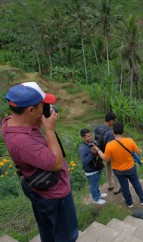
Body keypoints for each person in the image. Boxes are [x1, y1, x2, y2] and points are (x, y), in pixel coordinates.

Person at [1, 82, 78, 242]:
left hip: (35, 187)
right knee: (67, 235)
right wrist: (50, 129)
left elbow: (32, 132)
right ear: (30, 110)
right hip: (54, 194)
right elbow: (56, 163)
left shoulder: (9, 122)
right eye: (42, 105)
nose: (46, 107)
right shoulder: (22, 142)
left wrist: (38, 119)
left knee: (47, 231)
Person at [95, 122, 143, 208]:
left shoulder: (109, 145)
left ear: (113, 132)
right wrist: (138, 149)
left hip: (118, 170)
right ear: (123, 132)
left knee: (124, 186)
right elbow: (138, 152)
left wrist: (98, 150)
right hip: (131, 168)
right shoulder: (130, 141)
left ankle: (129, 203)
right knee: (136, 183)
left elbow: (106, 159)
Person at [94, 112, 120, 195]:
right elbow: (111, 145)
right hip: (110, 153)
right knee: (115, 169)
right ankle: (116, 188)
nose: (114, 123)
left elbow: (96, 139)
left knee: (108, 168)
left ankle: (110, 185)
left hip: (102, 152)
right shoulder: (110, 132)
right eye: (114, 121)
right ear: (111, 121)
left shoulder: (98, 128)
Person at [79, 128, 107, 205]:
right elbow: (85, 162)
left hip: (96, 168)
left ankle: (99, 195)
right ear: (83, 137)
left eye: (91, 136)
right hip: (91, 170)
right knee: (93, 185)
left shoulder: (91, 143)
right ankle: (96, 199)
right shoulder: (82, 148)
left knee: (96, 183)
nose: (90, 138)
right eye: (88, 137)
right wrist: (92, 153)